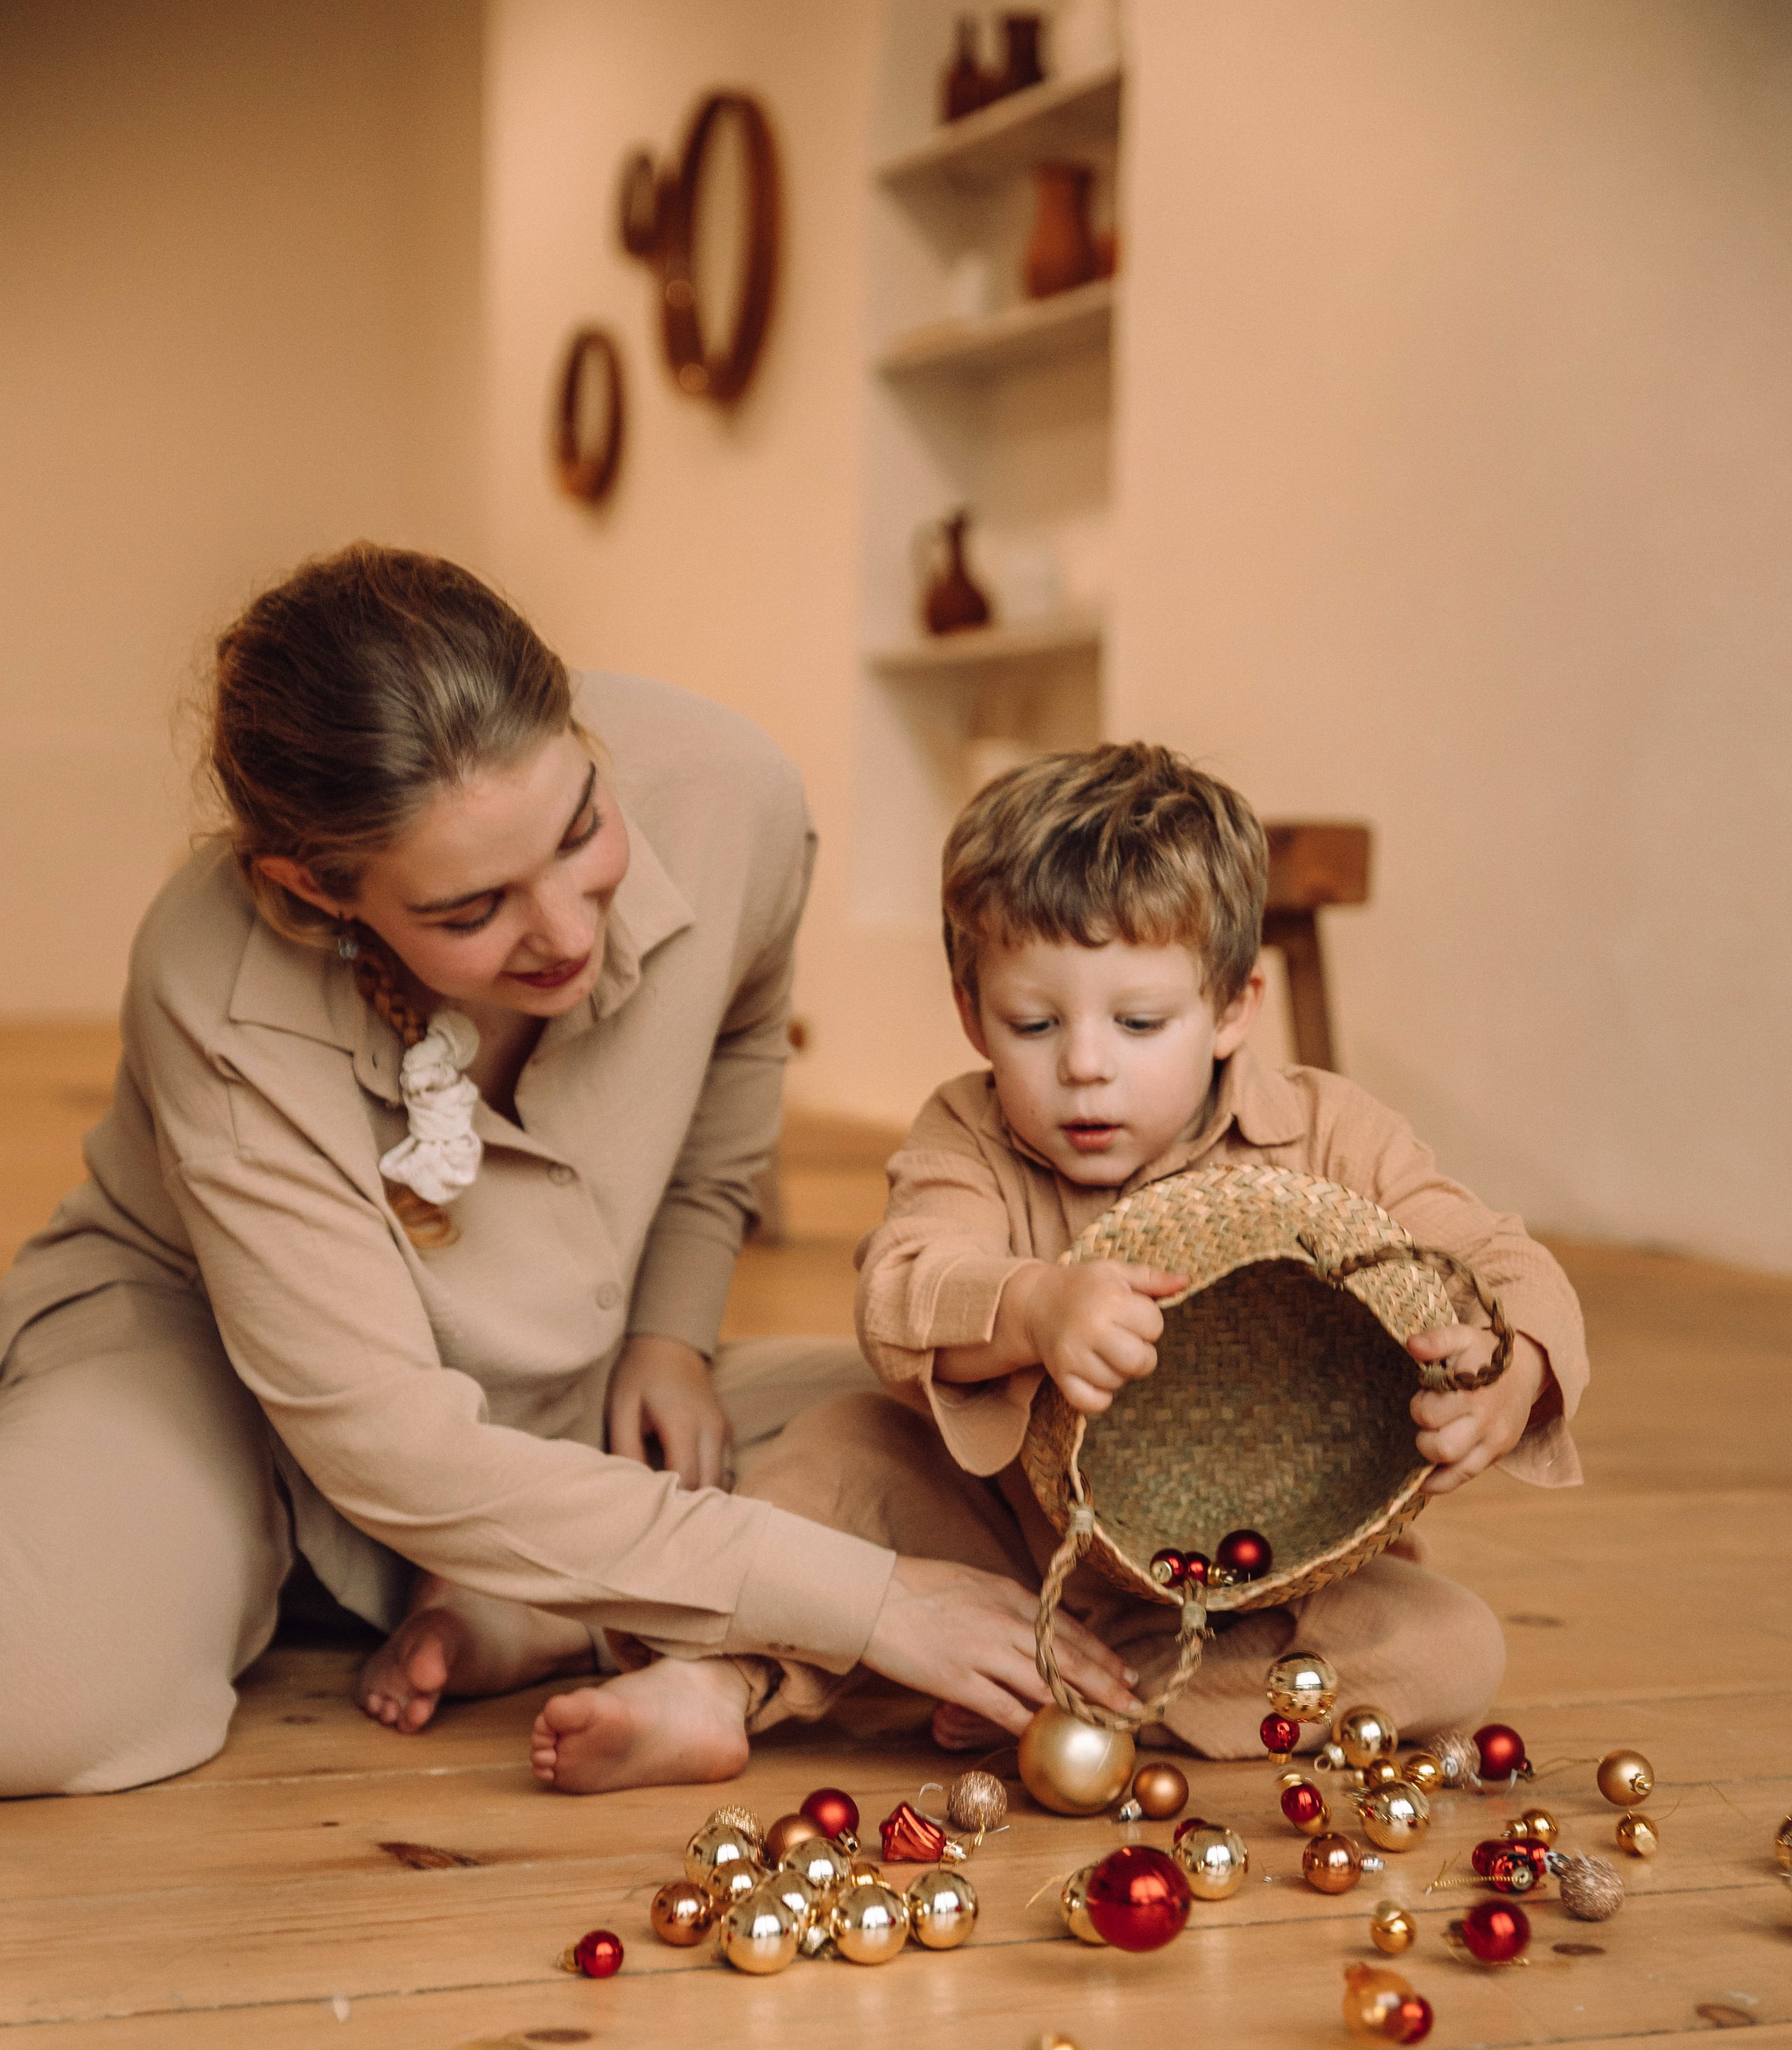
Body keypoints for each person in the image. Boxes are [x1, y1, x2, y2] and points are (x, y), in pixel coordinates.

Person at [0, 546, 1133, 1798]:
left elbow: (741, 1046)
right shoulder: (212, 980)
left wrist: (669, 1333)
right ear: (311, 891)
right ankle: (251, 1548)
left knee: (1035, 1445)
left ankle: (534, 1601)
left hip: (555, 1390)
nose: (569, 930)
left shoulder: (731, 795)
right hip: (212, 1366)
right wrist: (867, 1602)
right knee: (42, 1692)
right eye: (473, 909)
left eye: (583, 830)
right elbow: (395, 1449)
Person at [533, 742, 1586, 1787]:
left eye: (1139, 1023)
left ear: (1232, 1009)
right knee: (835, 1455)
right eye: (1033, 1023)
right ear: (971, 1014)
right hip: (1007, 1536)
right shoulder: (970, 1133)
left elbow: (1493, 1252)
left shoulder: (1328, 1130)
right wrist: (1031, 1306)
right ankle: (715, 1685)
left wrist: (1519, 1364)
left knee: (1450, 1646)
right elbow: (903, 1285)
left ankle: (1091, 1683)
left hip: (1242, 1583)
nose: (1085, 1064)